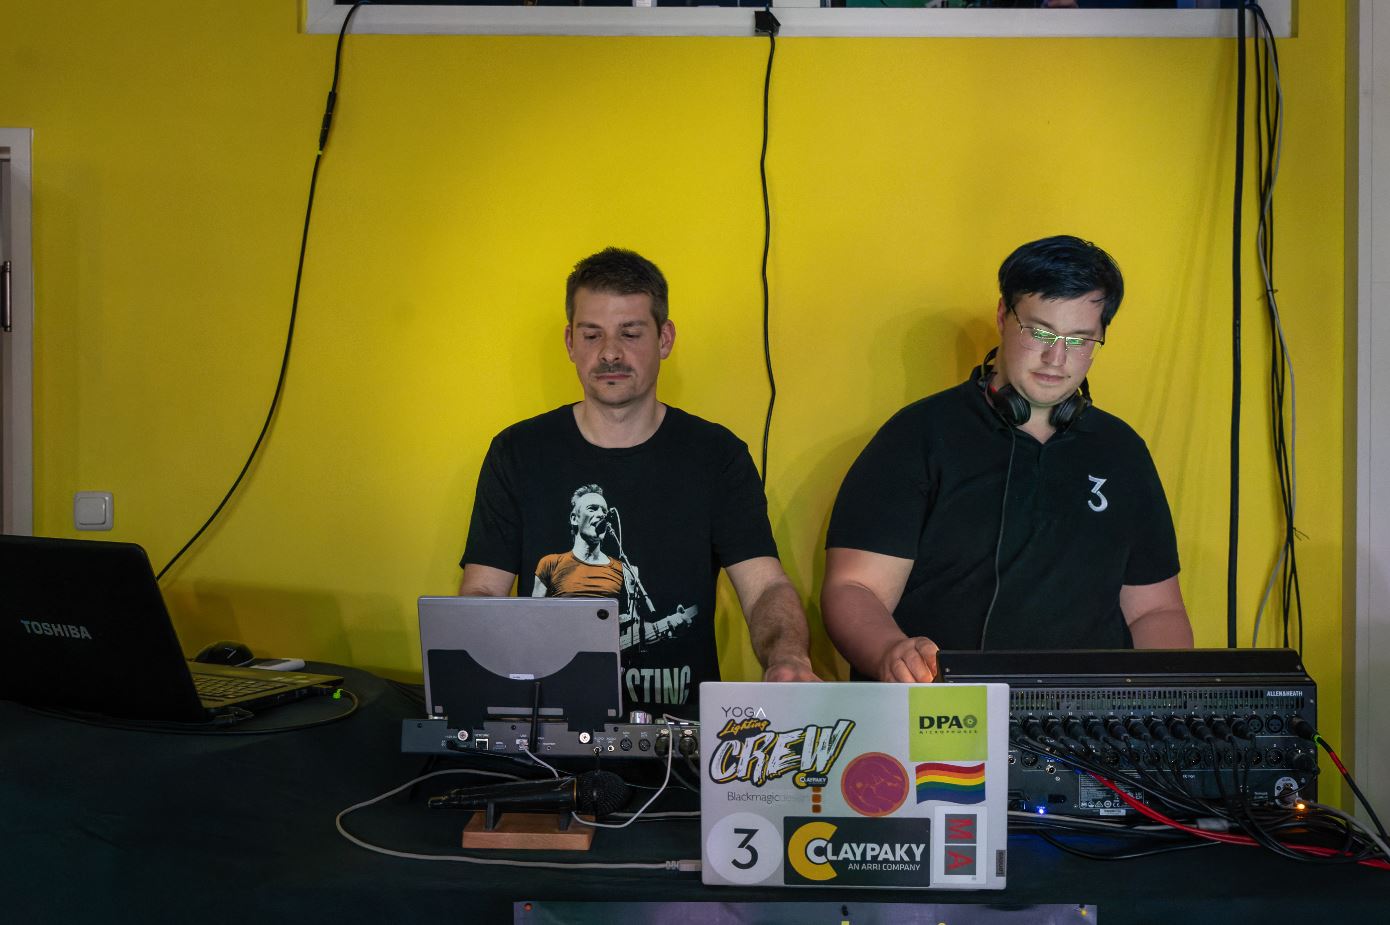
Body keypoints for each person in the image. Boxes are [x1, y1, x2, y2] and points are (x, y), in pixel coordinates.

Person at [458, 246, 818, 713]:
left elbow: (764, 585)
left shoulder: (716, 455)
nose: (610, 352)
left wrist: (788, 657)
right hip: (544, 727)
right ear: (570, 342)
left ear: (664, 339)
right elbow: (483, 592)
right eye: (592, 335)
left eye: (630, 333)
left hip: (679, 735)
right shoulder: (518, 451)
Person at [821, 235, 1193, 684]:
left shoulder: (1121, 450)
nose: (1056, 358)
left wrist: (1161, 696)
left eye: (1079, 340)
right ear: (1003, 315)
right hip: (940, 703)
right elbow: (855, 587)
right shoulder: (918, 435)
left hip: (1081, 711)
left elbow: (1155, 609)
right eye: (1040, 332)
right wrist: (889, 650)